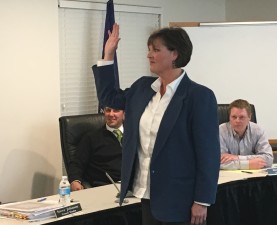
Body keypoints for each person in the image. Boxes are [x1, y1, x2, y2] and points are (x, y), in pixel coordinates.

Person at [92, 23, 220, 225]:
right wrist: (108, 55)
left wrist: (202, 200)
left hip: (181, 199)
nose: (149, 55)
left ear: (175, 54)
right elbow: (109, 97)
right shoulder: (142, 88)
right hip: (147, 193)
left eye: (156, 50)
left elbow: (208, 154)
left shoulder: (199, 96)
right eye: (149, 49)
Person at [68, 106, 124, 191]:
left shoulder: (135, 134)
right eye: (108, 110)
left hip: (134, 187)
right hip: (105, 187)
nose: (111, 114)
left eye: (116, 110)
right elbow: (77, 163)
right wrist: (75, 181)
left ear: (124, 113)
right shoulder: (91, 137)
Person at [219, 99, 273, 170]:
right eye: (234, 117)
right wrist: (248, 164)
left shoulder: (258, 130)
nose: (237, 121)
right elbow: (218, 162)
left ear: (249, 117)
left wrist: (237, 157)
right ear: (229, 117)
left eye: (241, 117)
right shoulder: (220, 131)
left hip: (253, 177)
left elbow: (268, 159)